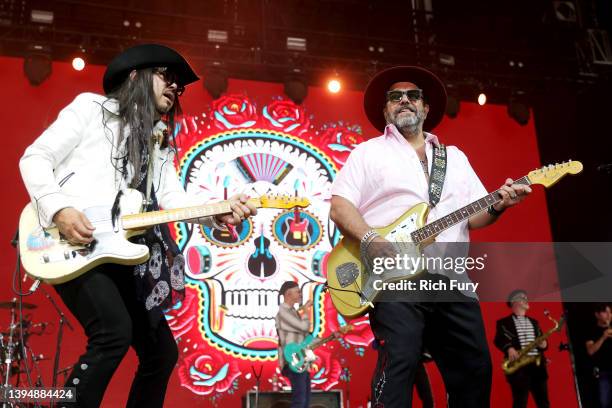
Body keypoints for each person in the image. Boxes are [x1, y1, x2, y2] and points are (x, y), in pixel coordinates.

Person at [19, 43, 257, 407]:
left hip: (123, 251)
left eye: (180, 84)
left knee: (161, 352)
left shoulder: (159, 140)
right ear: (135, 75)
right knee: (113, 334)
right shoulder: (90, 108)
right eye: (167, 76)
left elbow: (174, 199)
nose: (176, 87)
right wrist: (60, 210)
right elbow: (36, 157)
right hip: (71, 242)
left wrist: (219, 210)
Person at [329, 65, 532, 407]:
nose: (404, 100)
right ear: (386, 110)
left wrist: (501, 205)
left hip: (451, 279)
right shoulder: (367, 153)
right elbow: (340, 207)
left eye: (413, 95)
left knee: (475, 370)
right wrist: (370, 241)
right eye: (395, 96)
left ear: (425, 108)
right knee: (400, 362)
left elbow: (476, 216)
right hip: (395, 280)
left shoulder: (455, 158)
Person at [494, 290, 549, 408]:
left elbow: (542, 341)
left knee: (544, 403)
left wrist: (544, 344)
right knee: (520, 403)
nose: (526, 299)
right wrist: (509, 348)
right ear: (515, 301)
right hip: (519, 368)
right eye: (523, 297)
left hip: (537, 367)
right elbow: (499, 339)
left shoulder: (534, 322)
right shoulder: (503, 323)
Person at [275, 281, 313, 408]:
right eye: (298, 291)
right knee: (299, 401)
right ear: (288, 293)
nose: (300, 294)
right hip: (293, 361)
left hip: (301, 360)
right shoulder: (283, 313)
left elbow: (305, 338)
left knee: (305, 401)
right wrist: (306, 312)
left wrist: (332, 336)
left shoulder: (293, 313)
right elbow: (304, 327)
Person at [586, 303, 612, 408]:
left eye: (610, 312)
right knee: (604, 403)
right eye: (605, 312)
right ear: (597, 314)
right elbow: (590, 351)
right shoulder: (591, 330)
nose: (609, 315)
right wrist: (603, 337)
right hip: (603, 372)